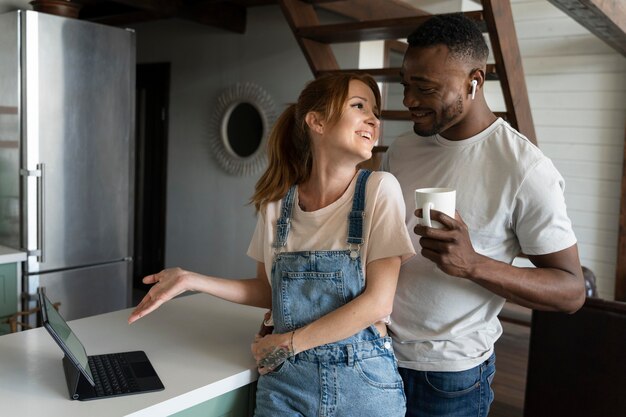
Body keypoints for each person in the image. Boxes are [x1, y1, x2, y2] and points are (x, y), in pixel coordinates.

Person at [128, 73, 415, 417]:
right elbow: (268, 290)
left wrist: (288, 343)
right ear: (317, 121)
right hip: (285, 384)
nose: (373, 119)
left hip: (363, 384)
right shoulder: (276, 205)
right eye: (359, 106)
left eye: (375, 111)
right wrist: (192, 280)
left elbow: (377, 302)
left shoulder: (379, 190)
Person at [382, 13, 586, 417]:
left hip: (449, 380)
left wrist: (474, 265)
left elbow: (571, 291)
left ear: (475, 80)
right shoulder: (402, 149)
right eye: (406, 85)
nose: (408, 101)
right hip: (377, 356)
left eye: (424, 88)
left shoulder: (524, 169)